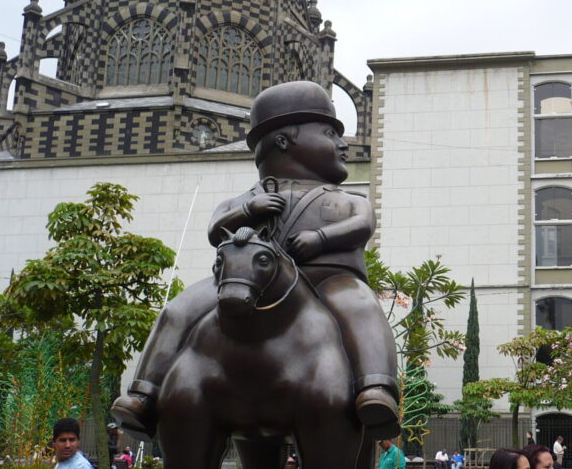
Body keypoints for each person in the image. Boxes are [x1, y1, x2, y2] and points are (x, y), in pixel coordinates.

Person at [112, 82, 400, 439]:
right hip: (251, 282)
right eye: (329, 133)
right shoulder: (247, 198)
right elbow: (217, 231)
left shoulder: (346, 199)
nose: (343, 144)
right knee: (179, 309)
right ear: (283, 140)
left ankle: (376, 388)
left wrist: (321, 238)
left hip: (329, 278)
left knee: (362, 306)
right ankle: (144, 393)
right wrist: (249, 210)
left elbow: (363, 224)